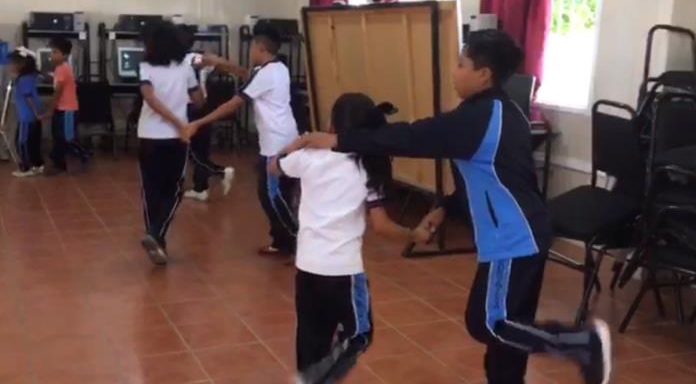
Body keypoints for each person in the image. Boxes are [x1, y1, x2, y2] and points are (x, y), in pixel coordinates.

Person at [291, 30, 612, 384]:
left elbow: (413, 137)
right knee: (507, 335)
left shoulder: (479, 117)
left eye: (461, 64)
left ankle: (581, 345)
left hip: (513, 237)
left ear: (483, 74)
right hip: (523, 233)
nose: (455, 72)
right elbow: (489, 174)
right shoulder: (501, 112)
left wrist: (339, 140)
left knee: (490, 322)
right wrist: (445, 208)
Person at [269, 93, 435, 384]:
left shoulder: (307, 158)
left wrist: (300, 141)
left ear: (332, 123)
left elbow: (275, 166)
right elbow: (381, 226)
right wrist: (413, 234)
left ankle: (310, 377)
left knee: (311, 337)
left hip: (307, 266)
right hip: (343, 271)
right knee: (359, 334)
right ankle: (319, 377)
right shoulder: (368, 167)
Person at [185, 24, 299, 257]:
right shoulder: (278, 68)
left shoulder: (266, 73)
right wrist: (224, 65)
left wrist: (199, 122)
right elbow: (249, 76)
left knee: (271, 195)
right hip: (287, 137)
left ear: (260, 48)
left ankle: (293, 240)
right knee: (278, 194)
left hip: (275, 144)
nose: (250, 53)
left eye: (252, 48)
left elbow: (232, 104)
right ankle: (283, 241)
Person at [137, 21, 203, 265]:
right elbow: (198, 100)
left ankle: (156, 238)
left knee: (151, 189)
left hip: (148, 136)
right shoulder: (184, 69)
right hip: (177, 137)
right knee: (174, 190)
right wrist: (179, 121)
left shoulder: (145, 67)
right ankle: (156, 234)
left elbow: (149, 98)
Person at [177, 25, 235, 202]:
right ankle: (201, 188)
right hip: (203, 108)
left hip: (191, 109)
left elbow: (210, 61)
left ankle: (221, 172)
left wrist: (212, 60)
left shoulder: (189, 59)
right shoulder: (190, 58)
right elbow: (217, 62)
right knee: (200, 151)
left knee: (189, 152)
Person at [43, 37, 90, 175]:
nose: (52, 55)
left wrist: (50, 110)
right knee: (58, 136)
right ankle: (58, 163)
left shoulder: (63, 69)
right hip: (61, 108)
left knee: (67, 137)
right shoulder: (59, 69)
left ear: (65, 55)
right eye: (52, 52)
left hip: (67, 109)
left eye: (55, 52)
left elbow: (58, 92)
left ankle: (83, 153)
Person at [7, 48, 44, 177]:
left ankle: (26, 167)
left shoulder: (23, 80)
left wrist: (36, 113)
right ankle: (38, 165)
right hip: (31, 117)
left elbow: (28, 98)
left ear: (22, 65)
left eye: (13, 63)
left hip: (27, 117)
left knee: (22, 142)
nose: (10, 65)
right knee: (33, 141)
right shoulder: (30, 77)